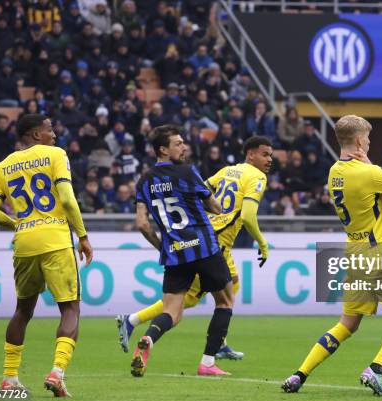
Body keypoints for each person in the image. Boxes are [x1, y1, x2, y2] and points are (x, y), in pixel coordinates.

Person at [282, 115, 382, 397]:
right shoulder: (368, 173)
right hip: (378, 250)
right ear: (360, 141)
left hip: (355, 253)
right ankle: (378, 368)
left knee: (347, 324)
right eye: (368, 139)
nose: (369, 143)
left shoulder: (334, 171)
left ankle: (300, 374)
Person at [116, 135, 272, 361]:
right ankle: (133, 320)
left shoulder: (227, 171)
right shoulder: (257, 177)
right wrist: (262, 242)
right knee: (190, 301)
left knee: (232, 283)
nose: (269, 159)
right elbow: (246, 215)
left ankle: (221, 341)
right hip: (210, 243)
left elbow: (199, 191)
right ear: (251, 154)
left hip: (205, 237)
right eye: (265, 154)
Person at [0, 114, 93, 397]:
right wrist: (82, 235)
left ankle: (9, 378)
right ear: (35, 135)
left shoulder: (2, 167)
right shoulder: (55, 154)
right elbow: (67, 199)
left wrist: (17, 223)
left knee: (23, 310)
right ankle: (57, 372)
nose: (54, 134)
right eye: (49, 129)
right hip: (56, 238)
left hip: (24, 243)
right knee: (70, 308)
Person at [127, 124, 234, 377]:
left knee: (171, 312)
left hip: (175, 253)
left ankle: (149, 339)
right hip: (204, 247)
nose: (184, 147)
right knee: (225, 301)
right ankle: (207, 363)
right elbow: (214, 207)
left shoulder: (144, 181)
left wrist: (161, 245)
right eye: (178, 143)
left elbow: (142, 223)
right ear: (162, 149)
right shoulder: (187, 172)